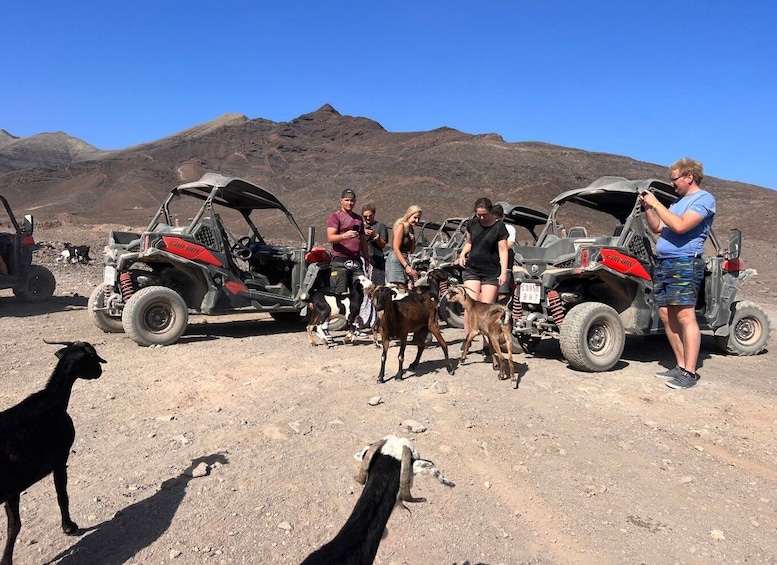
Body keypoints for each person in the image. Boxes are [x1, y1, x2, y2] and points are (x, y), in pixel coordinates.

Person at [640, 158, 716, 390]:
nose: (672, 184)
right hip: (664, 263)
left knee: (685, 316)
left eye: (674, 179)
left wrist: (656, 204)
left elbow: (681, 226)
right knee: (666, 315)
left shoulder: (704, 199)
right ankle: (681, 366)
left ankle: (690, 373)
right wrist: (647, 207)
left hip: (684, 263)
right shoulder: (677, 203)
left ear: (689, 177)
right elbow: (657, 228)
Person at [457, 198, 510, 348]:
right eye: (478, 214)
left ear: (491, 212)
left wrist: (503, 272)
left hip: (491, 271)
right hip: (472, 269)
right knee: (470, 306)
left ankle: (488, 344)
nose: (481, 218)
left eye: (484, 215)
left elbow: (503, 250)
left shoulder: (499, 227)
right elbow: (469, 243)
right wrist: (462, 255)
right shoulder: (472, 224)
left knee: (487, 309)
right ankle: (467, 339)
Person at [326, 188, 370, 337]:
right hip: (340, 259)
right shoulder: (335, 217)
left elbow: (363, 239)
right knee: (337, 293)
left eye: (352, 200)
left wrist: (367, 258)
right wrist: (344, 235)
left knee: (358, 293)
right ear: (341, 201)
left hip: (356, 260)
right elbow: (330, 237)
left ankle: (355, 325)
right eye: (347, 200)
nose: (349, 203)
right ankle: (326, 324)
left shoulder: (358, 219)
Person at [385, 205, 422, 290]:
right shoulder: (401, 226)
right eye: (415, 217)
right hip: (396, 259)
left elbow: (411, 251)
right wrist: (406, 266)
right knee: (398, 288)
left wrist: (413, 240)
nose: (417, 221)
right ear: (409, 215)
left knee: (408, 287)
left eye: (418, 219)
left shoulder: (411, 230)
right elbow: (396, 248)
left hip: (405, 258)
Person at [491, 204, 516, 303]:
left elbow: (510, 243)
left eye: (497, 218)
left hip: (504, 264)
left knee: (502, 292)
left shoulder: (509, 228)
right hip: (490, 264)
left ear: (502, 217)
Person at [361, 203, 389, 285]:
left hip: (377, 260)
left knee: (377, 285)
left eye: (370, 215)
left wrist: (375, 236)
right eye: (365, 216)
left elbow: (383, 244)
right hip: (363, 260)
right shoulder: (360, 226)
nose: (368, 218)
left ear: (374, 214)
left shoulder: (381, 226)